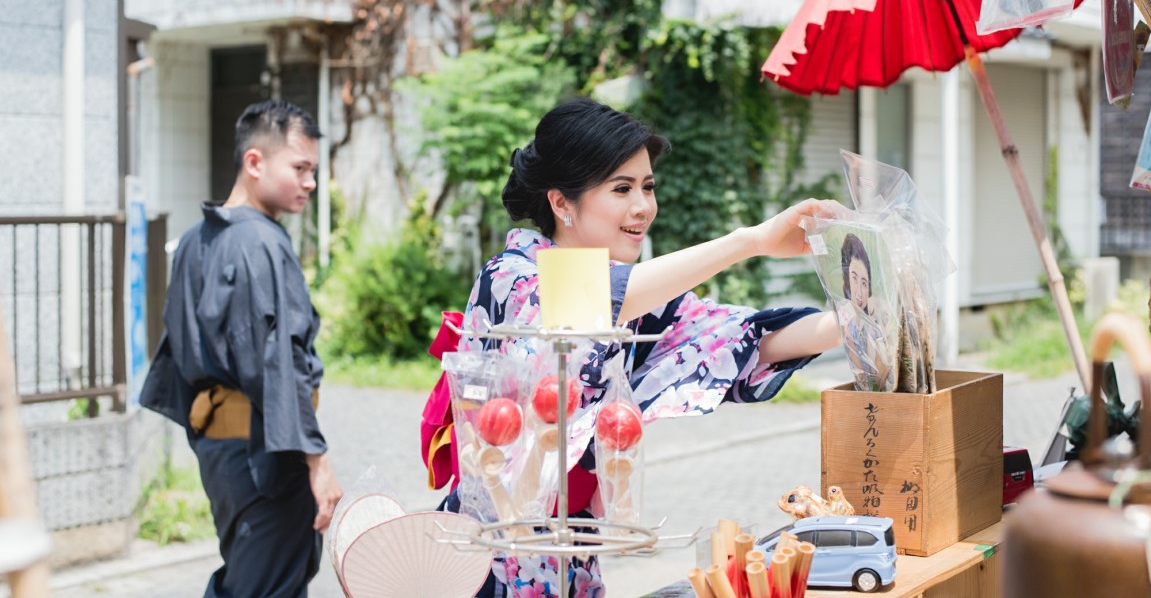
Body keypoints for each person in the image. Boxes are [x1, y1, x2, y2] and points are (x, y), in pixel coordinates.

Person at [436, 97, 843, 597]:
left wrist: (860, 320)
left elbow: (740, 337)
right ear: (561, 203)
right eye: (621, 188)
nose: (643, 206)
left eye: (648, 186)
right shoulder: (512, 277)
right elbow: (597, 296)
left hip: (575, 551)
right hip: (490, 556)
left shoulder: (634, 300)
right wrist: (750, 241)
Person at [140, 100, 342, 598]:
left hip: (222, 453)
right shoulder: (261, 243)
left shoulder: (195, 240)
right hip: (265, 453)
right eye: (299, 168)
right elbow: (280, 361)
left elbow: (177, 350)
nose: (310, 182)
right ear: (255, 162)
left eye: (313, 171)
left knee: (252, 578)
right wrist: (317, 460)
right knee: (266, 584)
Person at [837, 232, 895, 390]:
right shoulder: (845, 316)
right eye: (854, 278)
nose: (860, 292)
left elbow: (885, 374)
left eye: (864, 282)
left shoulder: (877, 315)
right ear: (846, 278)